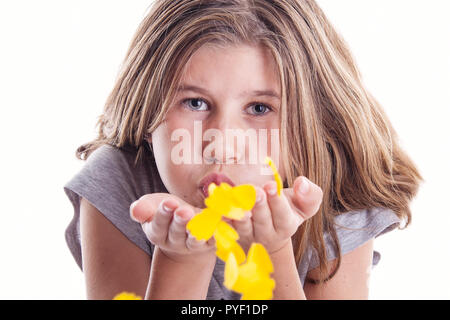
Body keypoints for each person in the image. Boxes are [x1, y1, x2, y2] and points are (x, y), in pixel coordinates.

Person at [64, 0, 423, 300]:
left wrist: (273, 250)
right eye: (194, 103)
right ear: (146, 115)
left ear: (312, 124)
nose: (222, 144)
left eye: (259, 109)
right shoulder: (117, 186)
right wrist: (181, 259)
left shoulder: (338, 195)